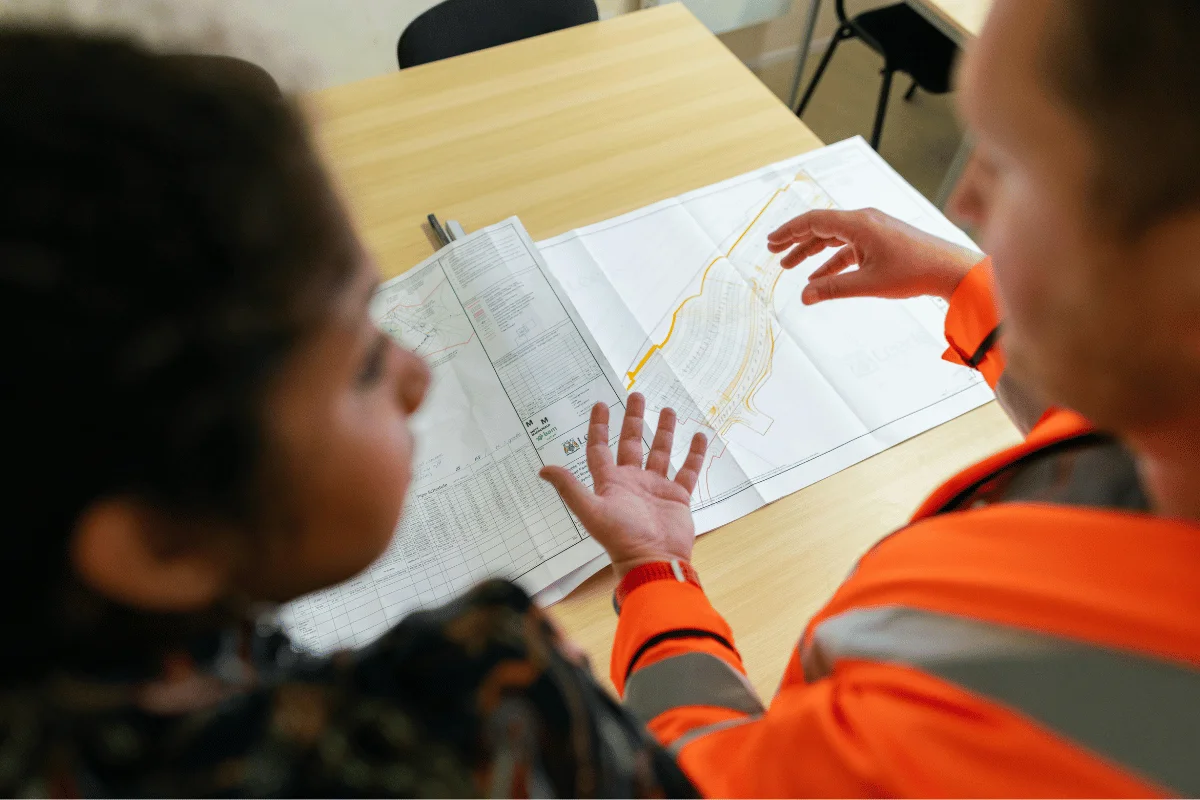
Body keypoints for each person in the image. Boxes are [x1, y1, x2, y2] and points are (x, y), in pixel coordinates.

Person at [0, 29, 698, 798]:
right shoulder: (484, 711)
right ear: (165, 543)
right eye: (365, 363)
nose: (416, 375)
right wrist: (658, 578)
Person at [538, 0, 1200, 795]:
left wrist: (657, 580)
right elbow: (1101, 429)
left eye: (1014, 165)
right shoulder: (1166, 441)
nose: (962, 205)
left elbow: (704, 782)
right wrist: (961, 280)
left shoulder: (968, 714)